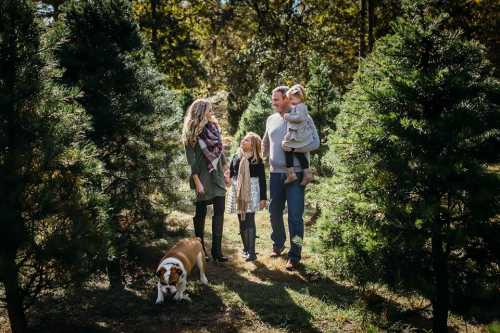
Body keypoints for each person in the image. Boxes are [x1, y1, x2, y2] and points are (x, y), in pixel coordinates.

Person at [262, 86, 320, 270]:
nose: (273, 102)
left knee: (295, 216)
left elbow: (315, 143)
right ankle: (278, 244)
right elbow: (266, 141)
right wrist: (261, 156)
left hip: (296, 174)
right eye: (273, 99)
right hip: (275, 173)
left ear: (287, 99)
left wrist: (293, 148)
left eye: (276, 99)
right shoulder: (271, 119)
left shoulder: (303, 117)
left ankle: (295, 254)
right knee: (274, 212)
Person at [182, 98, 230, 263]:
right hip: (201, 176)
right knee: (200, 214)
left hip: (216, 176)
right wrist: (197, 181)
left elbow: (220, 152)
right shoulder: (191, 132)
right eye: (209, 110)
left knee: (219, 212)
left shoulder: (214, 128)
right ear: (201, 112)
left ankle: (217, 251)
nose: (212, 113)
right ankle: (200, 250)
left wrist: (226, 170)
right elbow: (191, 160)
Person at [226, 132, 267, 262]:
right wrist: (227, 178)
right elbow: (231, 173)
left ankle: (252, 251)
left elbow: (262, 180)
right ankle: (245, 248)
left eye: (247, 140)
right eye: (243, 139)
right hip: (237, 190)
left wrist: (263, 198)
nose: (243, 141)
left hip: (251, 192)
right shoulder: (236, 156)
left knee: (249, 219)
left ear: (253, 145)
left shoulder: (257, 161)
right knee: (241, 219)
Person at [282, 84, 316, 186]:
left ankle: (291, 173)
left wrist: (287, 116)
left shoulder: (300, 107)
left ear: (299, 97)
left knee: (286, 147)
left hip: (298, 135)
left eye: (291, 99)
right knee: (299, 153)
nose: (290, 101)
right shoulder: (299, 106)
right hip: (298, 134)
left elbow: (299, 118)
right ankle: (307, 173)